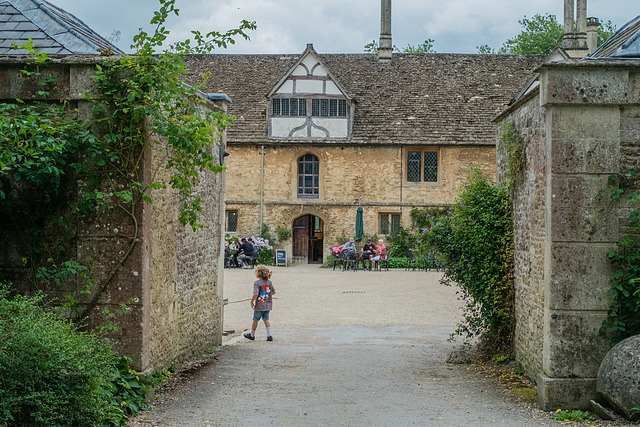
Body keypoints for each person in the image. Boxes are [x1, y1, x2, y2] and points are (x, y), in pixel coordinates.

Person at [244, 265, 276, 341]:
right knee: (266, 319)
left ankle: (252, 335)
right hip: (268, 304)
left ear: (258, 274)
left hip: (259, 305)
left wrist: (252, 301)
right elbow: (273, 292)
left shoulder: (257, 283)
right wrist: (266, 295)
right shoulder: (269, 282)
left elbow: (255, 294)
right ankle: (269, 335)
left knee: (255, 319)